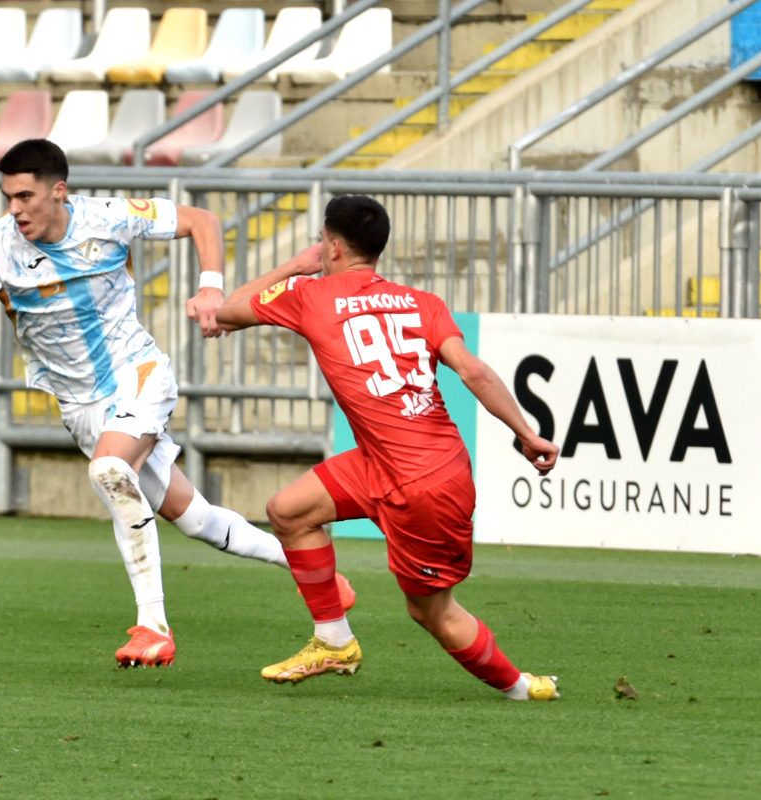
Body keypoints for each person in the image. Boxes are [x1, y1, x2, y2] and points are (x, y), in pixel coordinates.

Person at [0, 139, 353, 669]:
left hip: (138, 374)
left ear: (58, 192)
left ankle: (152, 626)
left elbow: (202, 220)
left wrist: (210, 289)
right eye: (8, 198)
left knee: (111, 470)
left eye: (24, 196)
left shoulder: (108, 217)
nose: (14, 210)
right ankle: (315, 578)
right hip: (80, 406)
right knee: (196, 518)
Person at [213, 194, 562, 700]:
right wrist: (526, 434)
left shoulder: (310, 295)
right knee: (288, 511)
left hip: (422, 486)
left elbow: (227, 309)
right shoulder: (423, 303)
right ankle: (334, 641)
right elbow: (473, 371)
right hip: (399, 462)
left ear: (331, 246)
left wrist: (297, 265)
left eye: (323, 242)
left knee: (431, 611)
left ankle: (520, 688)